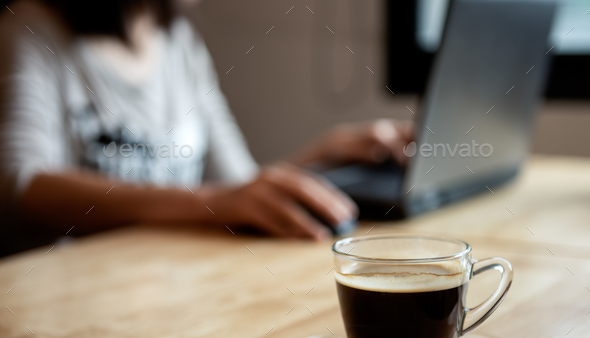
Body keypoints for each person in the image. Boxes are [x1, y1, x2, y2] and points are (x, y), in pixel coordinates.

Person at [0, 0, 412, 255]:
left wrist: (326, 153)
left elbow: (239, 187)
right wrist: (207, 202)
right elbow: (21, 188)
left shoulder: (179, 43)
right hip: (70, 304)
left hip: (168, 290)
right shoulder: (29, 28)